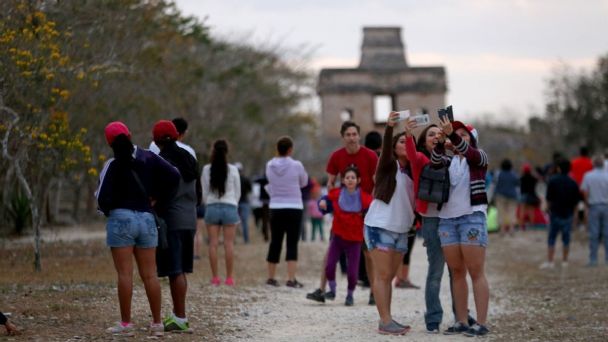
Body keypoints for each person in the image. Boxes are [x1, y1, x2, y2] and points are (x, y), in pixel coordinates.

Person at [96, 121, 180, 337]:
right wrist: (157, 199)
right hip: (146, 219)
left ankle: (126, 325)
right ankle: (157, 324)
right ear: (130, 134)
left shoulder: (112, 165)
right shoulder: (149, 157)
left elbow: (101, 199)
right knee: (150, 275)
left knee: (125, 275)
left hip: (121, 219)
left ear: (109, 142)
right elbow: (174, 175)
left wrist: (110, 210)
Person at [403, 121, 477, 333]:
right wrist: (408, 135)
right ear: (424, 141)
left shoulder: (450, 159)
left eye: (438, 133)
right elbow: (410, 152)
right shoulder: (419, 159)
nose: (435, 136)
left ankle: (461, 314)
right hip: (432, 219)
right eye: (430, 134)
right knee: (435, 270)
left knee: (456, 271)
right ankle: (433, 317)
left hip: (450, 217)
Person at [307, 121, 379, 305]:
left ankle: (374, 291)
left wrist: (371, 207)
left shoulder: (370, 156)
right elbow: (331, 182)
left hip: (365, 212)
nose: (352, 138)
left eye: (354, 134)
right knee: (331, 250)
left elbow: (376, 182)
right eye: (348, 134)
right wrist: (330, 201)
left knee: (369, 253)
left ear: (359, 136)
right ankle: (322, 290)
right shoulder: (336, 156)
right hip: (344, 213)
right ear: (343, 137)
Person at [433, 117, 490, 337]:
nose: (458, 138)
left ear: (472, 139)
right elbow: (435, 161)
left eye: (464, 135)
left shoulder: (479, 157)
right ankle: (462, 320)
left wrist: (454, 137)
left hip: (472, 217)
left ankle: (482, 322)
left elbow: (471, 153)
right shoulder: (449, 161)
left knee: (476, 271)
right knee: (457, 272)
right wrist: (439, 142)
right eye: (456, 134)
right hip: (447, 218)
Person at [363, 111, 416, 335]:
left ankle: (388, 318)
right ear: (394, 148)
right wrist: (390, 128)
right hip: (379, 225)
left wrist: (412, 136)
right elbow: (385, 149)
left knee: (390, 277)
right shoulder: (387, 166)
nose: (405, 143)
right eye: (401, 141)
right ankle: (385, 322)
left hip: (402, 230)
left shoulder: (415, 170)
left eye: (408, 141)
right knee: (382, 276)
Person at [152, 120, 200, 333]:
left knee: (175, 270)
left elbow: (160, 194)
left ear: (156, 140)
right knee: (181, 270)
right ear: (177, 135)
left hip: (172, 219)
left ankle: (180, 317)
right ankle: (179, 314)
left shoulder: (162, 160)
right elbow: (198, 194)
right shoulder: (189, 157)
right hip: (189, 218)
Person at [314, 166, 372, 305]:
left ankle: (350, 295)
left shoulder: (364, 197)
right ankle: (332, 290)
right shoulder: (336, 193)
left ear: (358, 180)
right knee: (329, 265)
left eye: (353, 178)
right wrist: (321, 203)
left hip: (355, 240)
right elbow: (324, 200)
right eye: (347, 178)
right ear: (343, 180)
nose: (350, 180)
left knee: (352, 273)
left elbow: (373, 208)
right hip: (338, 237)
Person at [265, 136, 309, 287]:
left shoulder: (270, 165)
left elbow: (269, 181)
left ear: (277, 148)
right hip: (294, 207)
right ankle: (291, 279)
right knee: (292, 242)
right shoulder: (297, 165)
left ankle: (271, 277)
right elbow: (304, 182)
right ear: (290, 150)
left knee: (275, 242)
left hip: (276, 206)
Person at [202, 140, 240, 286]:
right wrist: (233, 203)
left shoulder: (206, 169)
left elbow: (204, 192)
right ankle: (229, 278)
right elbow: (238, 191)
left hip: (212, 207)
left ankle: (215, 277)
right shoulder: (233, 169)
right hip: (229, 206)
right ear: (227, 151)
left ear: (213, 150)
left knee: (213, 244)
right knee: (229, 244)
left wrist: (209, 203)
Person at [542, 159, 580, 269]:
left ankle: (550, 262)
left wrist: (546, 209)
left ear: (558, 168)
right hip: (568, 214)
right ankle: (565, 261)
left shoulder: (552, 181)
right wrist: (576, 216)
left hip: (555, 213)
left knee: (552, 238)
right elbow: (576, 202)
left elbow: (549, 199)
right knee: (566, 239)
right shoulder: (573, 182)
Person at [581, 155, 608, 267]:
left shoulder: (588, 176)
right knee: (607, 233)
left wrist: (587, 203)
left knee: (594, 233)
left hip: (594, 206)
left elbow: (585, 191)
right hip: (606, 206)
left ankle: (593, 259)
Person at [494, 159, 520, 235]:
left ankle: (502, 230)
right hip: (512, 196)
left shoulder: (498, 174)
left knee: (501, 212)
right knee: (512, 212)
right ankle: (511, 229)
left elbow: (494, 185)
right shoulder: (514, 175)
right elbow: (517, 186)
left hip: (500, 196)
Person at [518, 164, 539, 230]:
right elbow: (538, 180)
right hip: (531, 195)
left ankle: (522, 226)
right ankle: (531, 225)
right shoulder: (534, 178)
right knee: (531, 212)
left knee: (522, 211)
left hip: (523, 195)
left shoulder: (521, 178)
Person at [236, 163, 253, 244]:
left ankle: (233, 240)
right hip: (245, 202)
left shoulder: (233, 179)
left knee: (234, 222)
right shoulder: (246, 179)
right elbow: (250, 190)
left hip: (235, 202)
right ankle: (246, 240)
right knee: (244, 222)